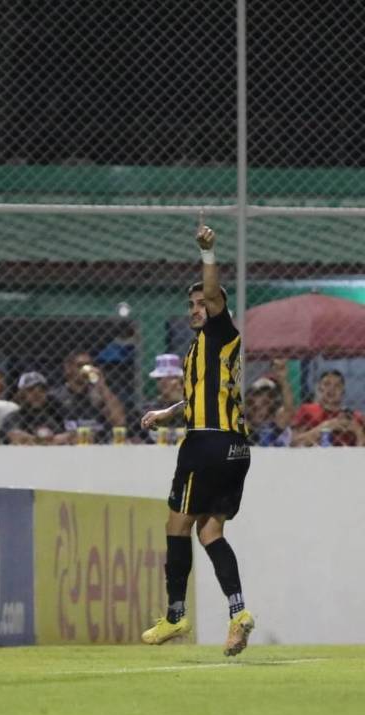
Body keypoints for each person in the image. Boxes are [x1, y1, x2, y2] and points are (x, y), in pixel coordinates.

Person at [140, 222, 255, 656]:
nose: (194, 309)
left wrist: (208, 253)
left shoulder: (220, 331)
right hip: (236, 448)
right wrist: (167, 412)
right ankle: (239, 613)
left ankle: (174, 615)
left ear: (215, 305)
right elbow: (198, 400)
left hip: (206, 445)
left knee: (176, 524)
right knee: (210, 531)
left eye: (200, 303)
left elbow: (212, 292)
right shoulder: (201, 351)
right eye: (190, 304)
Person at [52, 350, 127, 443]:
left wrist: (102, 386)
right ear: (68, 368)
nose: (85, 369)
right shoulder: (57, 396)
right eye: (80, 366)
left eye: (88, 365)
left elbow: (120, 421)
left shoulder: (100, 394)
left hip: (99, 445)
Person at [289, 369, 364, 447]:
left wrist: (358, 431)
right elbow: (294, 443)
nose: (331, 389)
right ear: (319, 388)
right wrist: (325, 427)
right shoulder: (307, 410)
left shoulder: (356, 417)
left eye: (337, 385)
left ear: (343, 391)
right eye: (327, 384)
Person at [2, 372, 71, 445]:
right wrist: (47, 441)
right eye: (30, 390)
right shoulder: (14, 416)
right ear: (21, 394)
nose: (37, 394)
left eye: (41, 389)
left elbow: (72, 435)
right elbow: (17, 436)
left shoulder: (57, 413)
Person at [133, 354, 186, 443]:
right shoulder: (148, 409)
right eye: (159, 378)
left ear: (180, 380)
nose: (163, 381)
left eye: (170, 377)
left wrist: (180, 398)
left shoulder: (189, 407)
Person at [244, 361, 295, 447]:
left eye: (265, 402)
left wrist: (283, 379)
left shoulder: (273, 427)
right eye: (257, 396)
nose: (258, 405)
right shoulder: (242, 423)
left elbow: (289, 410)